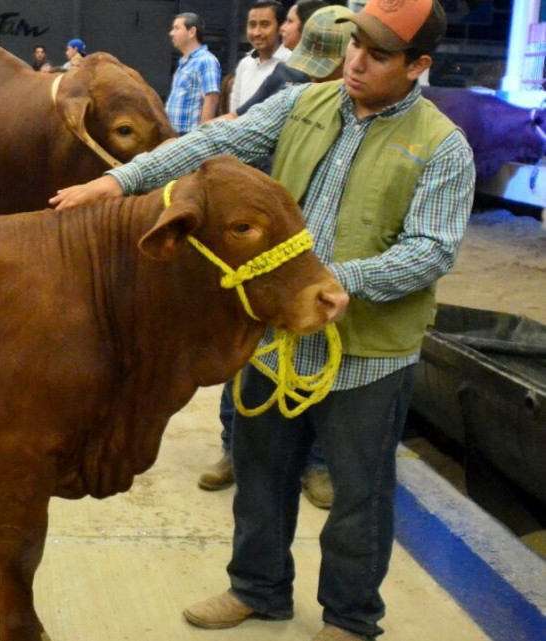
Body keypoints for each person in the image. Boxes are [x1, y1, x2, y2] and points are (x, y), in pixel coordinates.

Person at [51, 1, 474, 638]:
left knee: (360, 496)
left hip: (366, 353)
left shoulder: (442, 148)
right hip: (275, 337)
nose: (356, 62)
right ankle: (258, 588)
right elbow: (215, 142)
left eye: (379, 56)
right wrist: (121, 183)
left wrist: (339, 282)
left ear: (418, 66)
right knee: (260, 470)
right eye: (356, 46)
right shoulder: (304, 105)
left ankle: (352, 619)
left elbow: (432, 248)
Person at [201, 5, 356, 510]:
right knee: (249, 350)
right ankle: (234, 449)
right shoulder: (289, 87)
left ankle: (317, 464)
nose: (317, 77)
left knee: (325, 357)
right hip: (273, 246)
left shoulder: (382, 123)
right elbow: (235, 133)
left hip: (323, 254)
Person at [228, 0, 291, 114]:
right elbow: (234, 112)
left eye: (265, 25)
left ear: (280, 28)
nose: (256, 32)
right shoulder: (245, 64)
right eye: (252, 25)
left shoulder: (291, 63)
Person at [166, 13, 221, 134]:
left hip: (189, 136)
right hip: (175, 136)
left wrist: (202, 136)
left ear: (192, 32)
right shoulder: (184, 63)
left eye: (176, 28)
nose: (171, 33)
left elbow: (211, 98)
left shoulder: (206, 61)